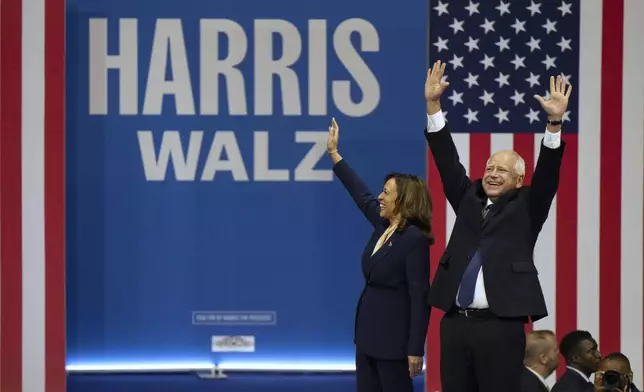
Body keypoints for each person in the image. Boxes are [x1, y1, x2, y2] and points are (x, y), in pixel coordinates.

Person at [423, 59, 572, 392]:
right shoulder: (467, 198)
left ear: (519, 180)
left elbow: (548, 172)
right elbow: (447, 161)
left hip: (501, 325)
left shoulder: (529, 206)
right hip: (455, 324)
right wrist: (434, 106)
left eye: (501, 171)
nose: (491, 173)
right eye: (489, 167)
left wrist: (554, 121)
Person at [326, 117, 433, 392]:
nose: (380, 197)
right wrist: (335, 156)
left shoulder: (414, 240)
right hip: (367, 337)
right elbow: (360, 194)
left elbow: (419, 298)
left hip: (394, 343)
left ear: (404, 200)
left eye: (386, 193)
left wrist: (415, 348)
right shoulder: (384, 224)